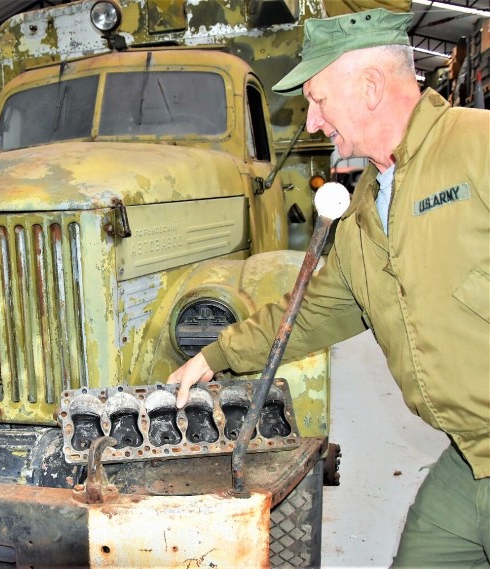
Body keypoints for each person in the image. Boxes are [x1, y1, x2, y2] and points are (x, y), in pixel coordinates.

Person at [167, 8, 489, 566]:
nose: (314, 123)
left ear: (369, 86)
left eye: (318, 99)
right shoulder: (366, 207)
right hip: (472, 455)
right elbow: (311, 312)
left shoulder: (476, 147)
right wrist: (218, 354)